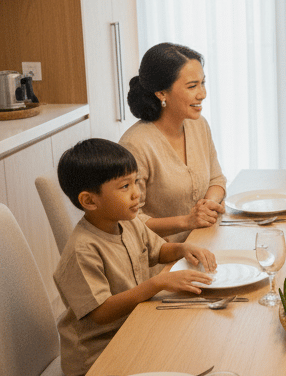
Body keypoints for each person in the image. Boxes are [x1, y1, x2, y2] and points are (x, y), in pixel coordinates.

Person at [54, 139, 217, 375]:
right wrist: (156, 283)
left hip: (132, 328)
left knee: (195, 342)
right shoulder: (82, 250)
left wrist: (183, 248)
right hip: (97, 357)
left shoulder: (127, 222)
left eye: (135, 182)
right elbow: (101, 313)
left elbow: (158, 250)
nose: (136, 194)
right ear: (89, 201)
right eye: (124, 187)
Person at [122, 42, 226, 243]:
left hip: (203, 241)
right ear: (161, 93)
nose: (202, 94)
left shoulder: (198, 125)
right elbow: (129, 222)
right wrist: (187, 221)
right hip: (160, 258)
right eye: (192, 86)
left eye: (203, 83)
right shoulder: (135, 145)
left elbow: (217, 180)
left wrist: (208, 206)